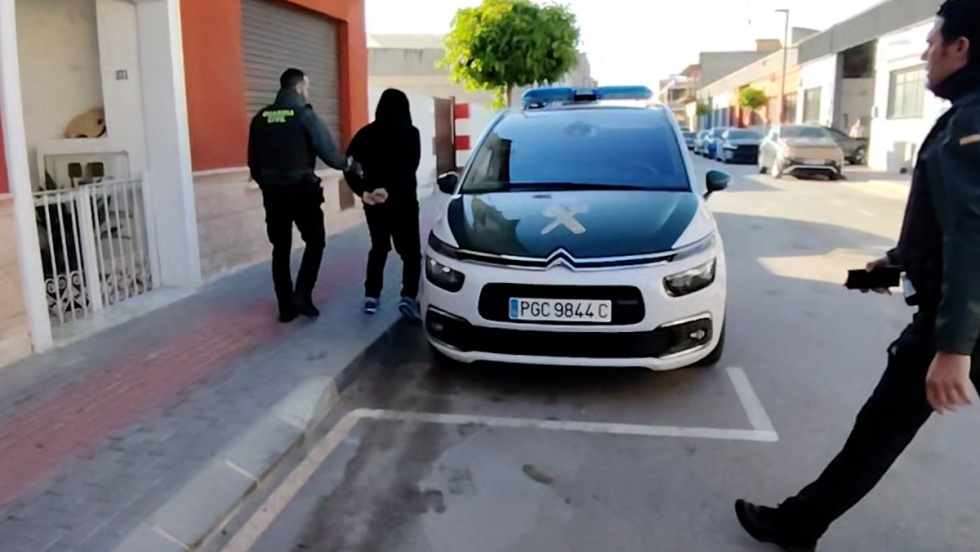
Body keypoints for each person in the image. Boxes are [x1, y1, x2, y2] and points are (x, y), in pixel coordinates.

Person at [735, 2, 980, 549]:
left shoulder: (972, 123)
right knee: (879, 431)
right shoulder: (965, 114)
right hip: (955, 312)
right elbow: (948, 223)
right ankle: (800, 523)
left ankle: (798, 523)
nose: (925, 52)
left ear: (960, 47)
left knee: (879, 430)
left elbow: (972, 235)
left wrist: (955, 345)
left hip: (959, 317)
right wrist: (896, 262)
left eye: (933, 39)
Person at [248, 68, 361, 323]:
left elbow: (253, 162)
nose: (307, 91)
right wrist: (349, 165)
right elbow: (329, 154)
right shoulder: (304, 116)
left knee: (280, 248)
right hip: (302, 191)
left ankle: (285, 308)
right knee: (316, 241)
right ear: (299, 87)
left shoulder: (260, 118)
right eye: (306, 87)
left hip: (273, 194)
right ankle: (302, 295)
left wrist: (266, 184)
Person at [344, 89, 423, 320]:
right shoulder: (411, 134)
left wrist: (363, 192)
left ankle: (371, 297)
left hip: (375, 205)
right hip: (404, 203)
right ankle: (408, 297)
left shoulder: (365, 134)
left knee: (379, 248)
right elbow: (410, 167)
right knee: (410, 253)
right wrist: (389, 190)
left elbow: (348, 167)